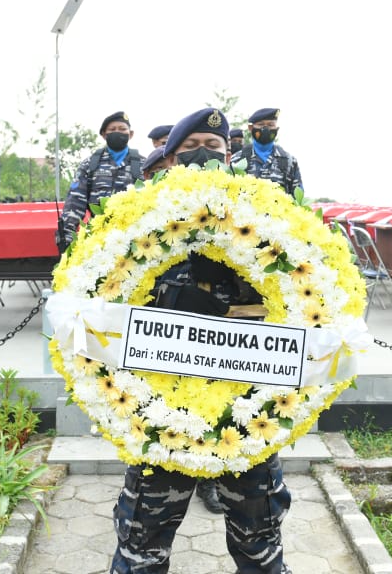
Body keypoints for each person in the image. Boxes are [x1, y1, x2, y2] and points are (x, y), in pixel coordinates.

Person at [111, 107, 291, 574]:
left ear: (231, 157)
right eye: (189, 148)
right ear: (167, 162)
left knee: (260, 545)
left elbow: (294, 299)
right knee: (141, 548)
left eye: (214, 148)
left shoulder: (265, 222)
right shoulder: (140, 224)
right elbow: (109, 307)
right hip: (163, 409)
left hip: (244, 410)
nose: (203, 155)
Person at [57, 111, 143, 252]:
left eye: (122, 129)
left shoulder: (143, 164)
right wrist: (67, 235)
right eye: (112, 130)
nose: (117, 132)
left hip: (136, 238)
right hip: (98, 239)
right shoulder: (90, 164)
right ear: (104, 135)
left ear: (131, 134)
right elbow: (75, 203)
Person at [231, 108, 303, 196]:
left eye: (270, 125)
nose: (265, 129)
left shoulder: (289, 161)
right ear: (250, 128)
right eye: (261, 124)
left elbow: (298, 198)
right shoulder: (237, 160)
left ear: (276, 128)